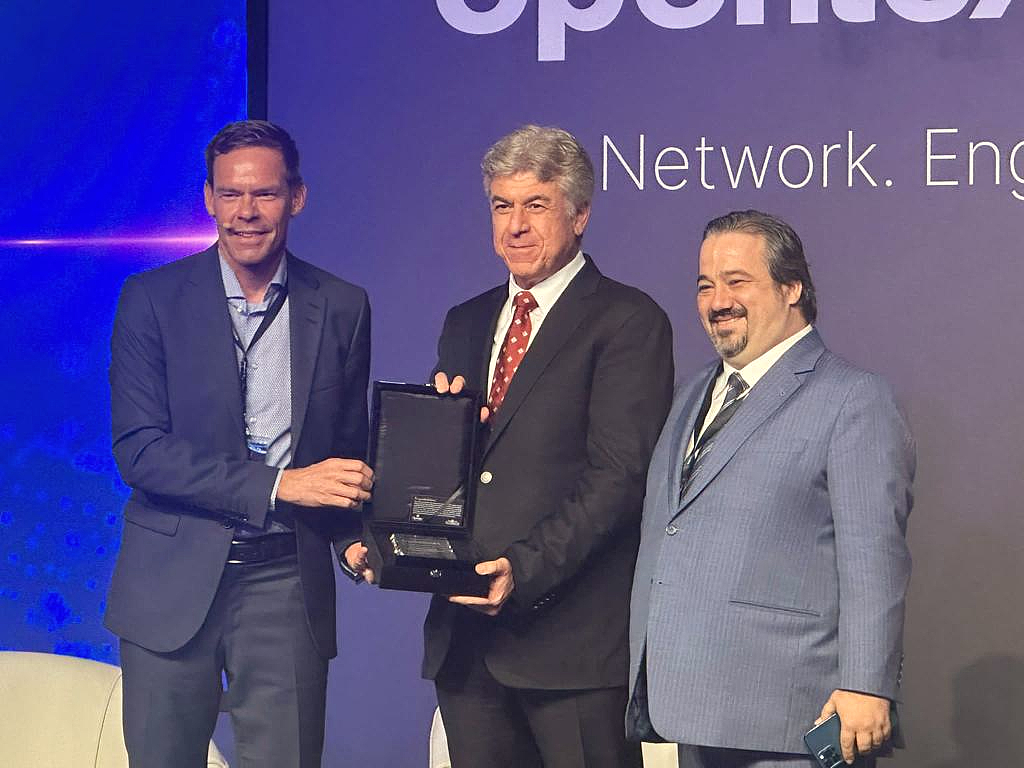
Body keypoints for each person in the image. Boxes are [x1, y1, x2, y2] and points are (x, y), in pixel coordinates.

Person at [348, 124, 673, 766]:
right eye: (502, 206)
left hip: (571, 649)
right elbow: (448, 475)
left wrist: (522, 570)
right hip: (467, 648)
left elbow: (619, 478)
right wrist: (380, 535)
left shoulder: (628, 321)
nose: (515, 225)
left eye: (536, 205)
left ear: (579, 215)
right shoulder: (465, 321)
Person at [106, 119, 374, 768]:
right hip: (170, 582)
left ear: (297, 197)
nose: (246, 213)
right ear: (208, 198)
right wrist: (279, 484)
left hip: (286, 579)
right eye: (230, 195)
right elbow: (140, 450)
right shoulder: (151, 300)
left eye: (265, 195)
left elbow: (344, 448)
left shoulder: (342, 305)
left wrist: (356, 534)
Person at [627, 210, 914, 768]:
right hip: (690, 707)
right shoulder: (690, 395)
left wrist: (867, 684)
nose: (718, 301)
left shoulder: (853, 399)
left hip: (791, 717)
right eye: (705, 285)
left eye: (738, 281)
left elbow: (874, 560)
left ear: (791, 288)